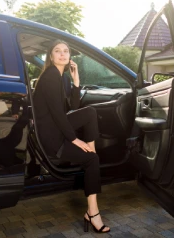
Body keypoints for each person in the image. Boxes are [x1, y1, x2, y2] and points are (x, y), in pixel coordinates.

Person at [33, 40, 110, 234]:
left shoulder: (61, 77)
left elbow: (72, 109)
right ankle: (92, 214)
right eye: (57, 51)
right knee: (93, 160)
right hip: (52, 139)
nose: (62, 54)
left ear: (69, 57)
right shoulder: (51, 75)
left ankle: (91, 154)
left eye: (66, 51)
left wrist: (76, 82)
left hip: (57, 130)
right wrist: (75, 139)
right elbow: (59, 115)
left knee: (90, 112)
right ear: (50, 56)